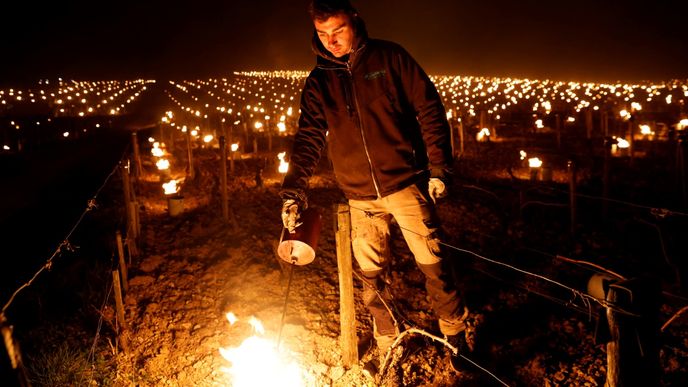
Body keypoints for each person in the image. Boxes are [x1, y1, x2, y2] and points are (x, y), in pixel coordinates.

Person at [280, 0, 470, 370]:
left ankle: (456, 338)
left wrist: (438, 168)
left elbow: (429, 107)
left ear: (354, 20)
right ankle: (387, 342)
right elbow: (308, 137)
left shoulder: (390, 58)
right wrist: (293, 191)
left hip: (405, 185)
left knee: (435, 267)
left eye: (337, 30)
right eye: (323, 34)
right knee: (371, 280)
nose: (331, 41)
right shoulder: (320, 80)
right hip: (359, 196)